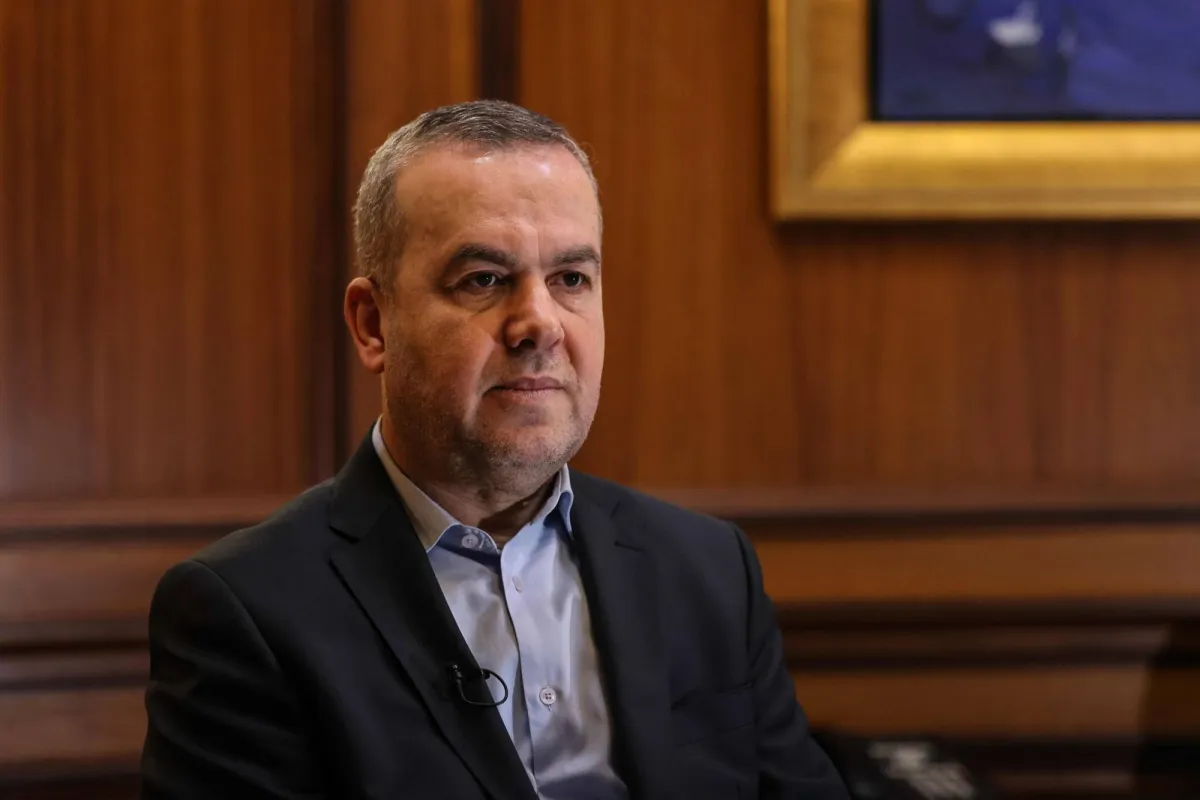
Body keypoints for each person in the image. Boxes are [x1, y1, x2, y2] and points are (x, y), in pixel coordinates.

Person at [138, 100, 848, 800]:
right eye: (484, 279)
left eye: (571, 279)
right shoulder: (248, 609)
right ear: (373, 324)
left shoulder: (708, 568)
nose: (539, 323)